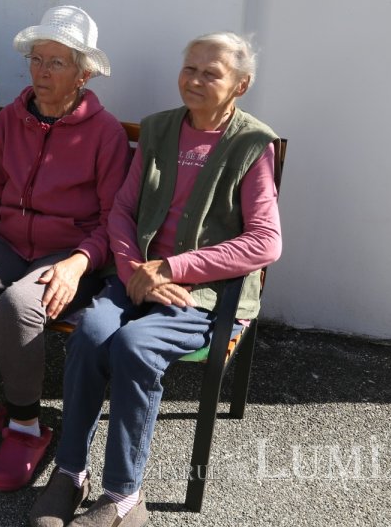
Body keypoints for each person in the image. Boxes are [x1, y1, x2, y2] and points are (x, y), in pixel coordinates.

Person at [28, 32, 282, 527]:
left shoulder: (253, 144)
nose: (195, 80)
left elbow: (265, 242)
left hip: (206, 295)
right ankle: (69, 471)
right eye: (190, 68)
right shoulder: (159, 130)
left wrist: (170, 268)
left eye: (212, 73)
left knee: (135, 346)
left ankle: (124, 496)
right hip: (135, 277)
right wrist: (132, 272)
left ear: (241, 85)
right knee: (93, 333)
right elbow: (122, 210)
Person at [0, 5, 131, 492]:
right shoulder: (8, 122)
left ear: (83, 73)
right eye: (37, 60)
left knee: (20, 305)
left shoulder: (105, 134)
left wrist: (78, 264)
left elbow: (114, 221)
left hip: (65, 253)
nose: (41, 72)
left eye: (56, 63)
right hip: (6, 242)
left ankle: (26, 426)